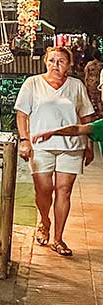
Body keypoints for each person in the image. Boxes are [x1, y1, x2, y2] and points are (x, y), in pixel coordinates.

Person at [14, 46, 94, 256]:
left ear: (69, 64)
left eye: (61, 61)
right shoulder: (33, 83)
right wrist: (24, 140)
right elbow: (22, 114)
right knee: (44, 189)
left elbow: (86, 117)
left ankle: (58, 238)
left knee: (64, 190)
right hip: (40, 145)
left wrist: (89, 144)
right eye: (51, 61)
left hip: (71, 146)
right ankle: (45, 221)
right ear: (45, 62)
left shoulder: (76, 86)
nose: (55, 65)